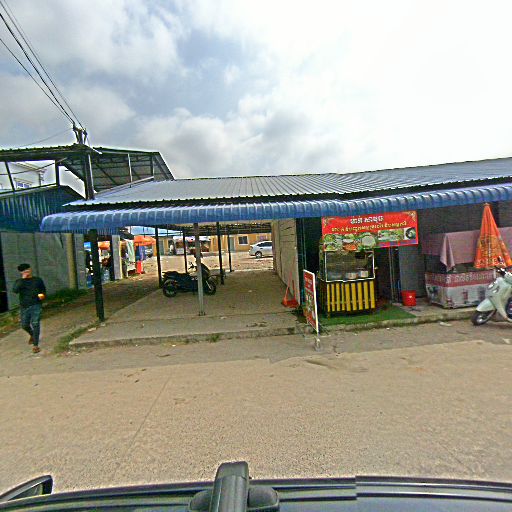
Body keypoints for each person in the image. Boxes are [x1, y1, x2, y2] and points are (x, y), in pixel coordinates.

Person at [12, 263, 46, 353]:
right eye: (24, 271)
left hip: (36, 304)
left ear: (30, 269)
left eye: (27, 269)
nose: (26, 271)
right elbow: (15, 290)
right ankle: (32, 335)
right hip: (24, 306)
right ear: (21, 272)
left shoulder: (37, 280)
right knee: (24, 325)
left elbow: (42, 290)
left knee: (35, 323)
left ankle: (36, 345)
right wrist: (22, 279)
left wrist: (41, 297)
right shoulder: (19, 282)